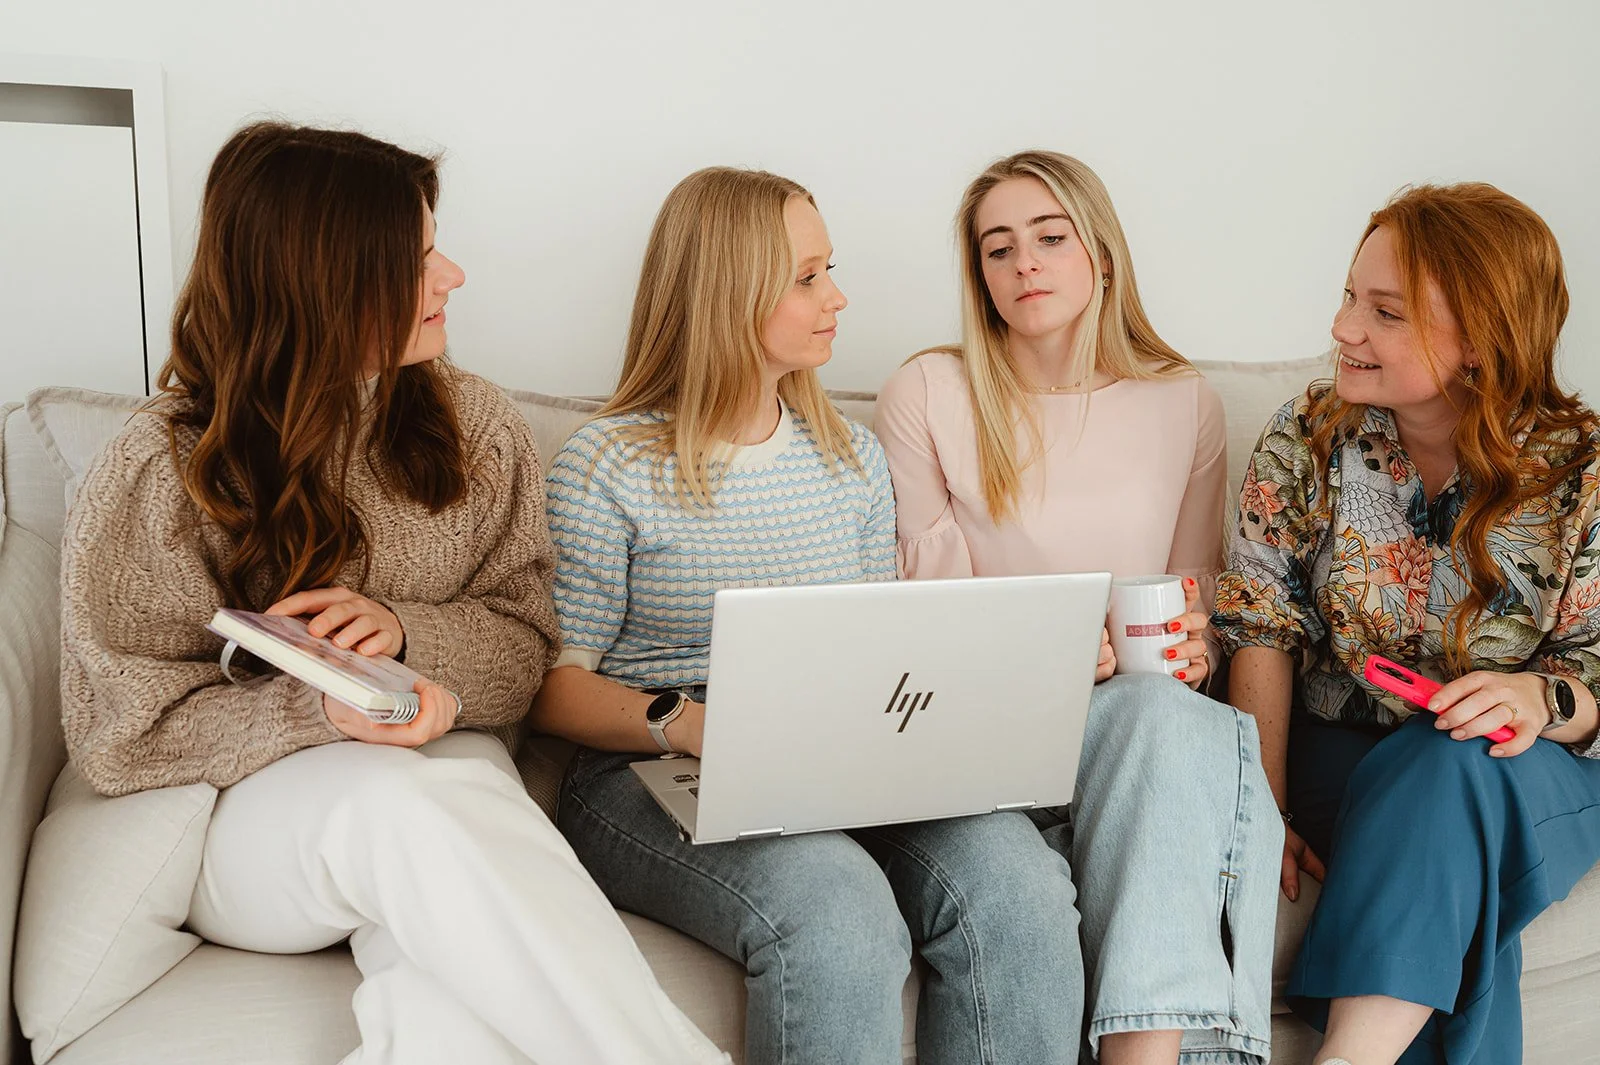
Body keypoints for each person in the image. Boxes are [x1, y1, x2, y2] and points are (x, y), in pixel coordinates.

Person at [58, 121, 728, 1065]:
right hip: (259, 830)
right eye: (417, 258)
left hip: (452, 805)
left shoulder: (477, 427)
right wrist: (325, 709)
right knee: (399, 802)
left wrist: (409, 641)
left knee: (448, 1010)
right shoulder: (163, 466)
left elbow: (526, 649)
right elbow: (119, 731)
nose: (452, 274)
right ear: (323, 280)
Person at [529, 165, 1084, 1065]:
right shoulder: (609, 463)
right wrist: (694, 723)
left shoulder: (849, 457)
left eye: (831, 269)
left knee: (1019, 883)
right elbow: (549, 687)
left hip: (840, 752)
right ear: (728, 291)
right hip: (649, 762)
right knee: (838, 910)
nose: (839, 296)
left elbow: (879, 650)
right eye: (808, 276)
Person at [875, 149, 1282, 1065]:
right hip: (990, 726)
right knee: (1174, 731)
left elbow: (1196, 603)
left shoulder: (1184, 402)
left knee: (1168, 714)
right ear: (978, 274)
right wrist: (1047, 653)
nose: (1025, 265)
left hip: (1134, 725)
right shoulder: (930, 392)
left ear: (1099, 251)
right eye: (998, 248)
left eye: (1050, 238)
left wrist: (1191, 648)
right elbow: (923, 614)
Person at [1214, 182, 1600, 1065]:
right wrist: (1260, 802)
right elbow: (1261, 622)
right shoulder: (1309, 434)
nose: (1345, 327)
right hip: (1342, 751)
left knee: (1455, 757)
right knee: (1448, 868)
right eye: (1352, 295)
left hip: (1526, 771)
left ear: (1481, 341)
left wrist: (1537, 696)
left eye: (1384, 311)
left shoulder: (1579, 474)